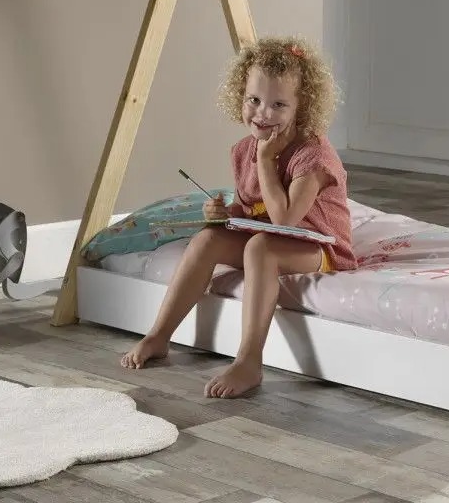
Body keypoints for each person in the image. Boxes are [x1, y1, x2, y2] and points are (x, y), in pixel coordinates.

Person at [121, 36, 356, 397]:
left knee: (260, 248)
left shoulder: (313, 157)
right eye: (254, 100)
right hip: (269, 236)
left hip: (320, 247)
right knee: (207, 238)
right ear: (240, 97)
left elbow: (284, 220)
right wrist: (222, 214)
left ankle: (249, 361)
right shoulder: (243, 150)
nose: (262, 113)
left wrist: (266, 160)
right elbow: (250, 210)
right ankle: (159, 335)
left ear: (302, 107)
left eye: (278, 105)